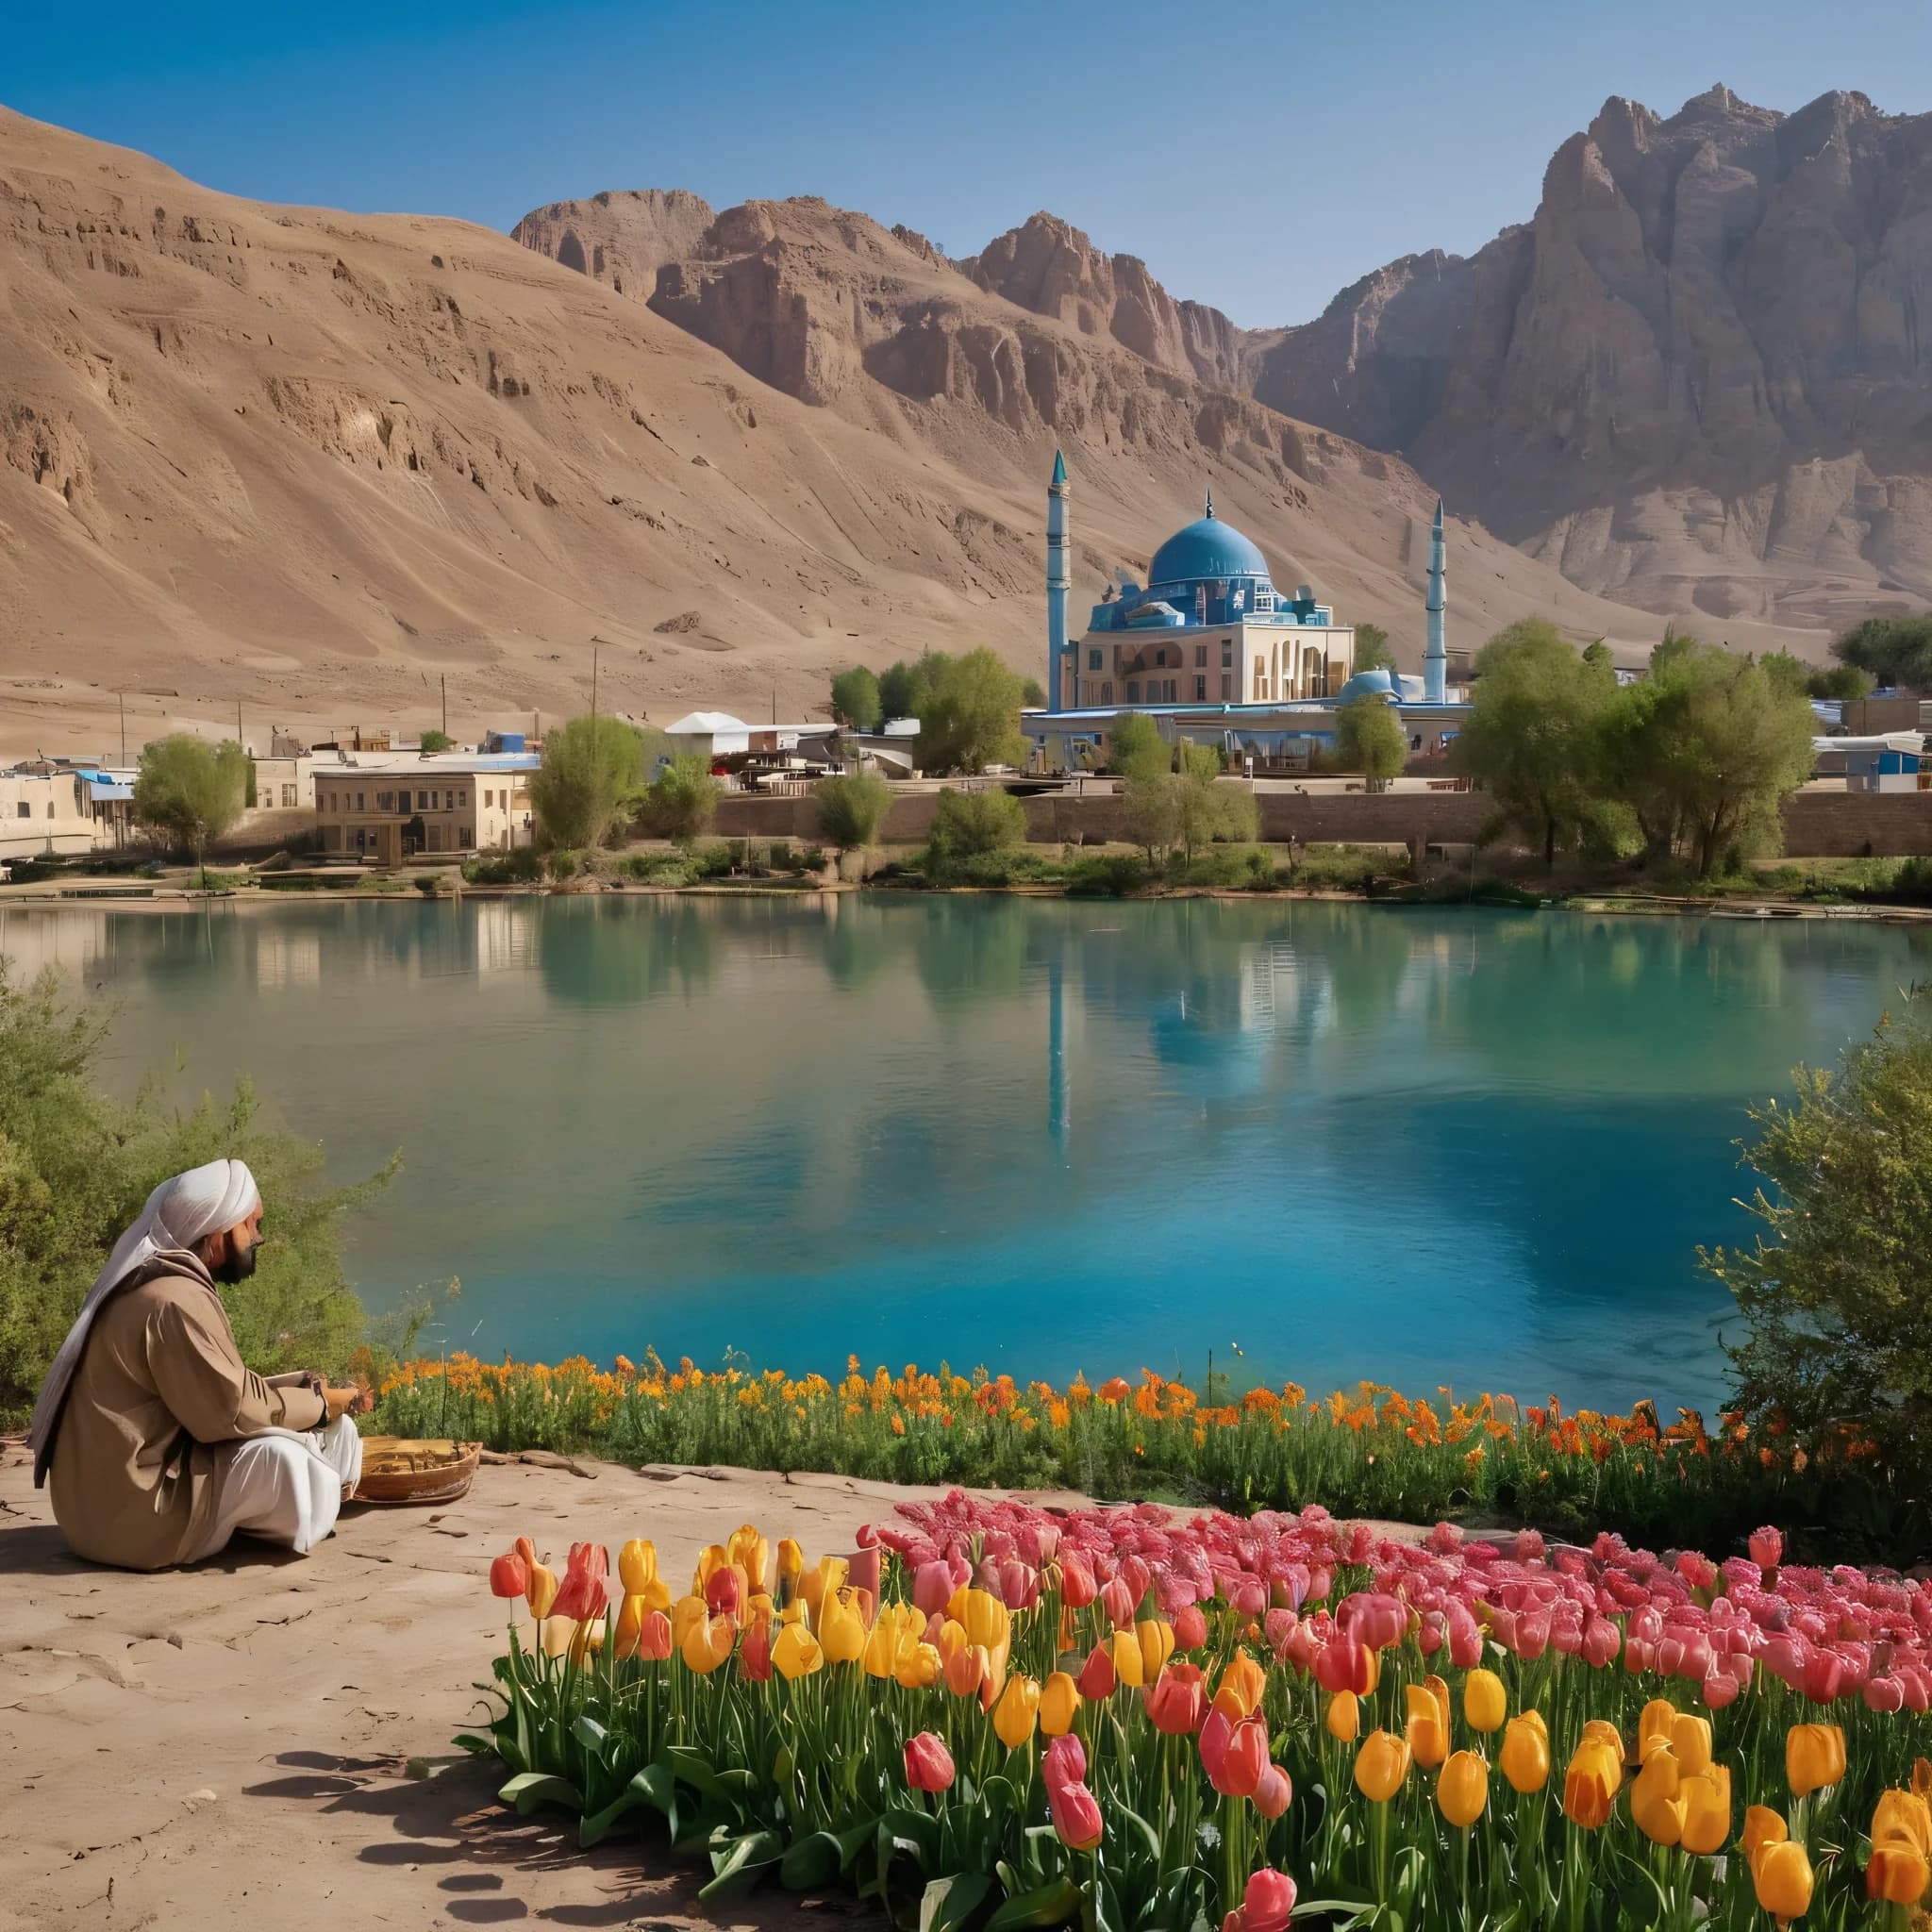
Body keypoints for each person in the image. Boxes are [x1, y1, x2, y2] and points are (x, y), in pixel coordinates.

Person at [26, 1158, 369, 1571]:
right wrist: (320, 1404)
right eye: (252, 1224)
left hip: (97, 1520)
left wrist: (305, 1388)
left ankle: (281, 1507)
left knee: (335, 1431)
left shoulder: (163, 1288)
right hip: (137, 1520)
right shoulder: (173, 1300)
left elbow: (218, 1390)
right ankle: (274, 1521)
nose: (258, 1237)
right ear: (221, 1228)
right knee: (284, 1458)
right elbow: (227, 1412)